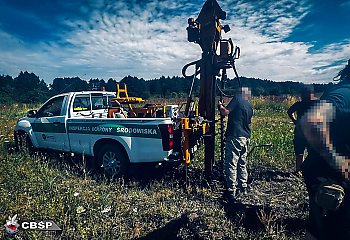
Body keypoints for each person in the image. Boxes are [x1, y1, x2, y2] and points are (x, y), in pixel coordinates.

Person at [299, 59, 350, 240]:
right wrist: (337, 160)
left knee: (320, 226)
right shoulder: (345, 94)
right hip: (332, 180)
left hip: (324, 174)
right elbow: (312, 122)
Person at [218, 87, 253, 202]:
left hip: (235, 136)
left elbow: (225, 112)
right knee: (242, 163)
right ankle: (243, 187)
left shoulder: (237, 100)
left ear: (239, 94)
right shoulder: (249, 106)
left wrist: (220, 106)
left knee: (231, 164)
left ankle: (231, 190)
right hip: (245, 137)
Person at [287, 85, 316, 173]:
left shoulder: (300, 104)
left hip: (304, 132)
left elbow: (289, 112)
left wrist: (294, 120)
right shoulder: (315, 103)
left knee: (300, 153)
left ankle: (300, 170)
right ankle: (302, 170)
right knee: (305, 153)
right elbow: (289, 112)